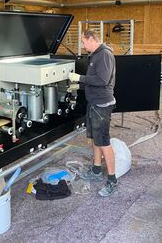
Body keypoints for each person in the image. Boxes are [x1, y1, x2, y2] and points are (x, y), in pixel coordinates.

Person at [68, 28, 117, 197]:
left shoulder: (104, 54)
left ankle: (112, 180)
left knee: (103, 141)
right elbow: (93, 80)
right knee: (96, 140)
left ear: (90, 39)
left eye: (83, 41)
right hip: (94, 103)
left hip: (102, 104)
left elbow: (102, 80)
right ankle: (96, 170)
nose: (82, 45)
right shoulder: (95, 55)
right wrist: (79, 86)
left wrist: (79, 78)